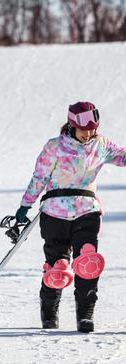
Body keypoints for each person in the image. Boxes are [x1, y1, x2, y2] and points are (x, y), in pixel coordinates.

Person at [14, 101, 126, 333]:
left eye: (93, 129)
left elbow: (123, 157)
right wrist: (25, 206)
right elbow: (38, 178)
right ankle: (49, 311)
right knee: (58, 266)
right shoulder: (54, 147)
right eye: (84, 129)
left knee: (88, 262)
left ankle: (85, 314)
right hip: (55, 213)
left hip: (87, 210)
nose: (89, 134)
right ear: (72, 124)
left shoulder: (101, 145)